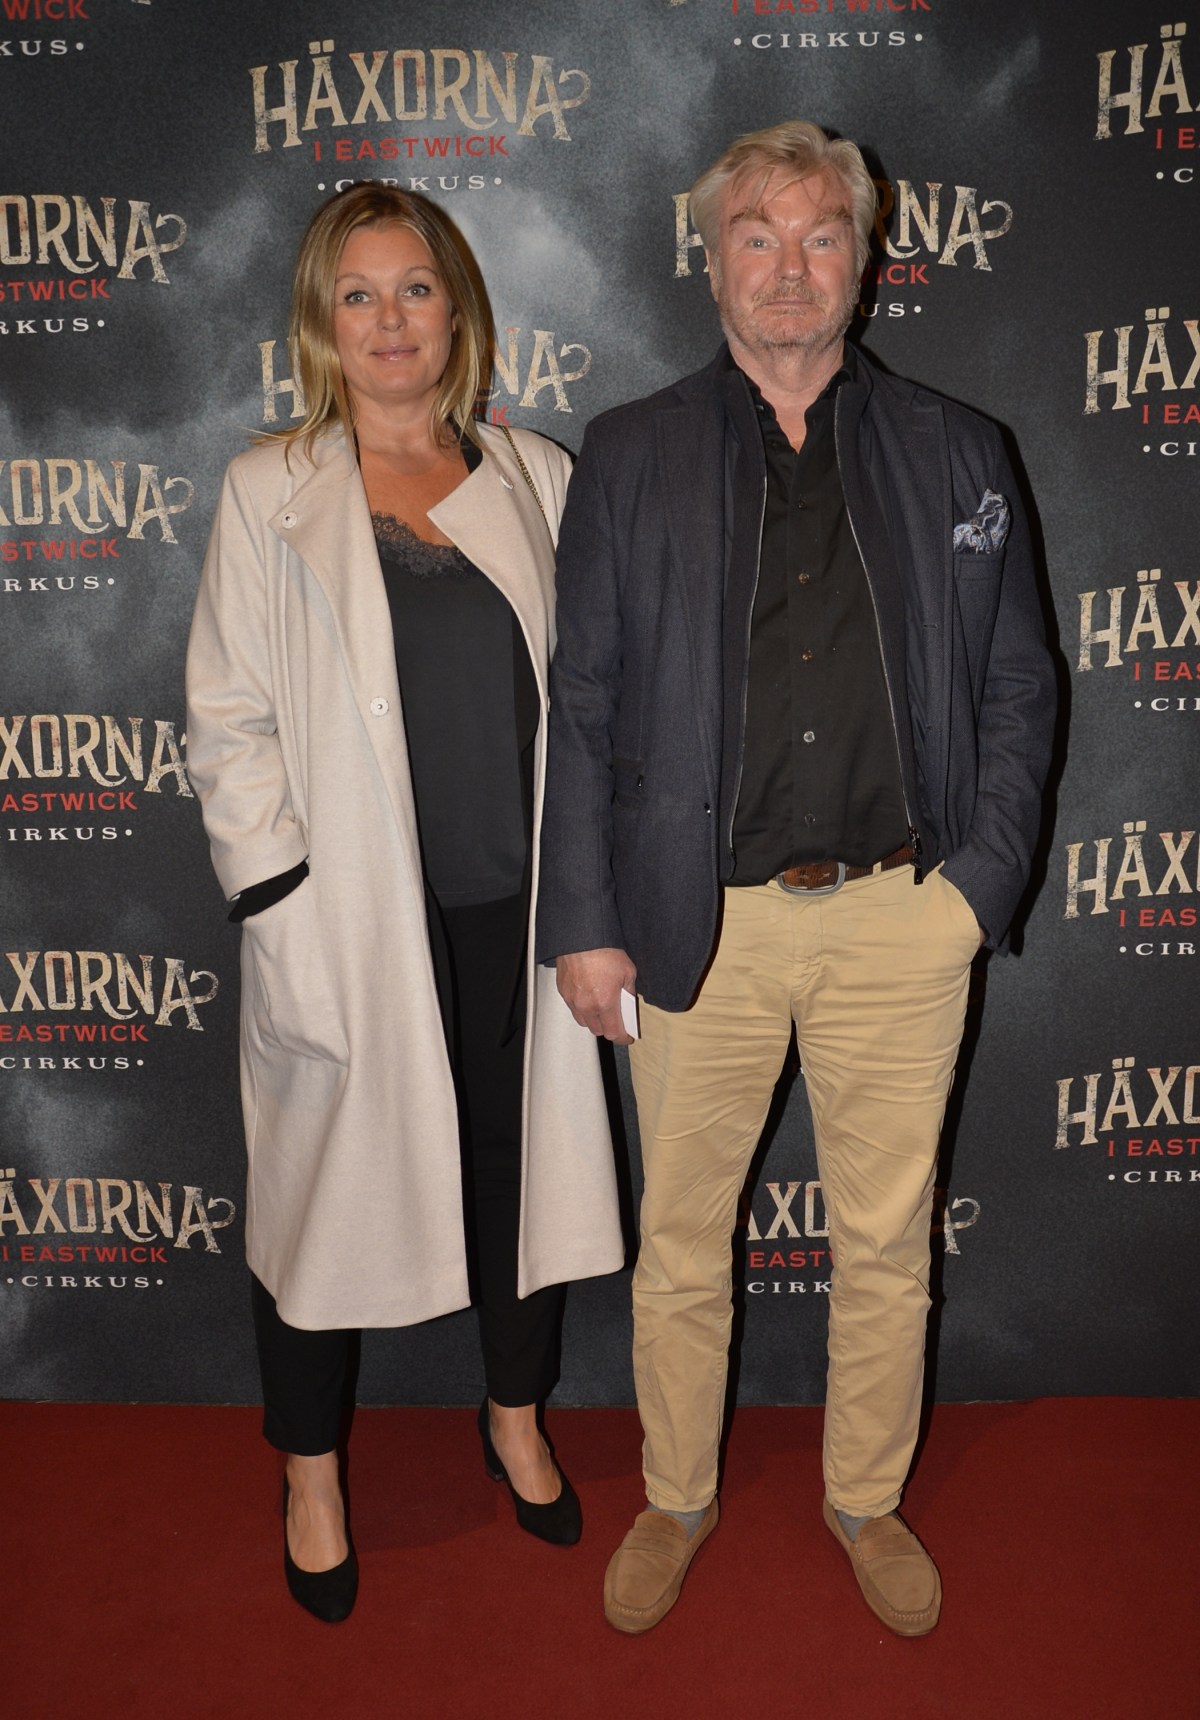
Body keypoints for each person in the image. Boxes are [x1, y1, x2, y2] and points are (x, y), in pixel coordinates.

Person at [537, 121, 1055, 1638]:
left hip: (905, 914)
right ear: (712, 263)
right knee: (682, 1240)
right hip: (695, 921)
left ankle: (866, 1500)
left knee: (886, 1241)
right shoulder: (631, 452)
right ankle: (677, 1493)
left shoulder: (961, 449)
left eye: (821, 235)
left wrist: (976, 889)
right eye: (755, 236)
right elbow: (585, 701)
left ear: (866, 262)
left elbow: (1020, 682)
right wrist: (587, 923)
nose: (788, 267)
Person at [185, 182, 623, 1623]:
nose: (390, 320)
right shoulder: (268, 488)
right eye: (358, 294)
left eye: (415, 288)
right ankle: (310, 1473)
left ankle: (516, 1417)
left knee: (521, 1182)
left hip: (516, 911)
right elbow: (228, 719)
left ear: (457, 307)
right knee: (318, 1205)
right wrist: (283, 904)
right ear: (324, 320)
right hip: (350, 930)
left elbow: (593, 703)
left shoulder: (536, 477)